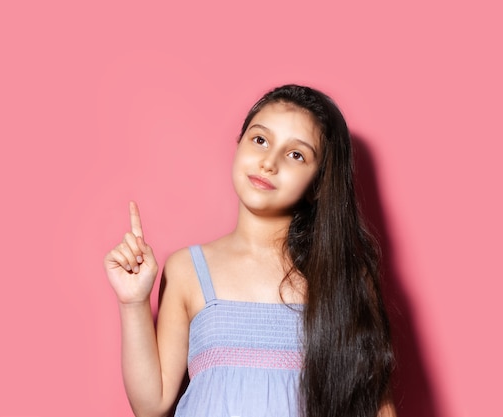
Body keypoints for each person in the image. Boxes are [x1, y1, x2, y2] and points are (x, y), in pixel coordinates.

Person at [104, 84, 396, 417]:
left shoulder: (345, 278)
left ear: (318, 183)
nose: (269, 162)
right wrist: (133, 302)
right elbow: (151, 405)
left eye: (296, 154)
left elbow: (376, 405)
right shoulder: (187, 269)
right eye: (260, 140)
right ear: (239, 144)